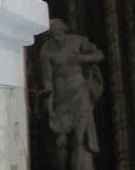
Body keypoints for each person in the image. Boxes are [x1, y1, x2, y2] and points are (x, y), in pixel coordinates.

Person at [39, 19, 104, 170]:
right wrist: (50, 109)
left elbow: (99, 55)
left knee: (79, 138)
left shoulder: (77, 41)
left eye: (58, 34)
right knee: (60, 141)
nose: (57, 38)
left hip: (80, 93)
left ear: (63, 30)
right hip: (61, 97)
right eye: (52, 35)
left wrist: (83, 58)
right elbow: (48, 81)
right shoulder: (46, 51)